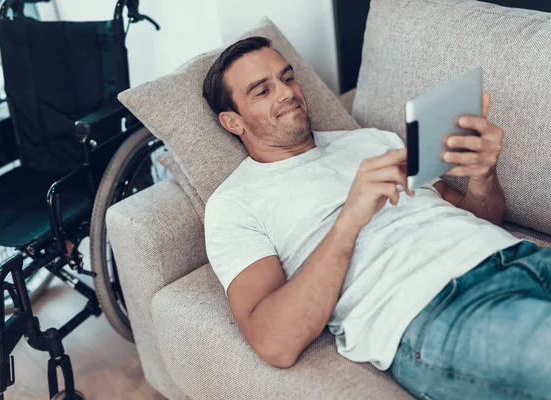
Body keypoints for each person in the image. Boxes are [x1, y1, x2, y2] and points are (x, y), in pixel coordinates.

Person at [202, 36, 551, 400]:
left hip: (519, 257)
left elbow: (482, 218)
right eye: (262, 91)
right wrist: (349, 220)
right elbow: (274, 343)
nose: (286, 93)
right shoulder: (233, 203)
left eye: (287, 78)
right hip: (436, 308)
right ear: (233, 122)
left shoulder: (371, 141)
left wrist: (483, 177)